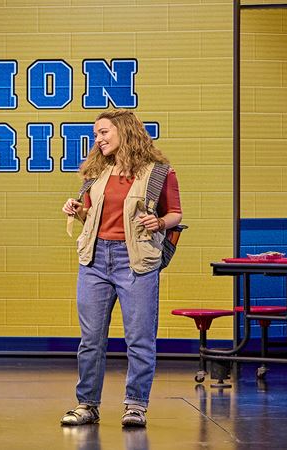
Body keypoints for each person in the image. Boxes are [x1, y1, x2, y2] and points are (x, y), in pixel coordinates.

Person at [61, 110, 182, 427]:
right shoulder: (95, 173)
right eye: (96, 134)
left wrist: (159, 221)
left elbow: (175, 215)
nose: (97, 139)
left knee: (140, 339)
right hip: (95, 260)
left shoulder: (159, 173)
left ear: (125, 131)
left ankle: (136, 405)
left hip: (136, 261)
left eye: (103, 132)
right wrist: (77, 209)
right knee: (91, 340)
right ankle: (87, 404)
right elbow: (92, 215)